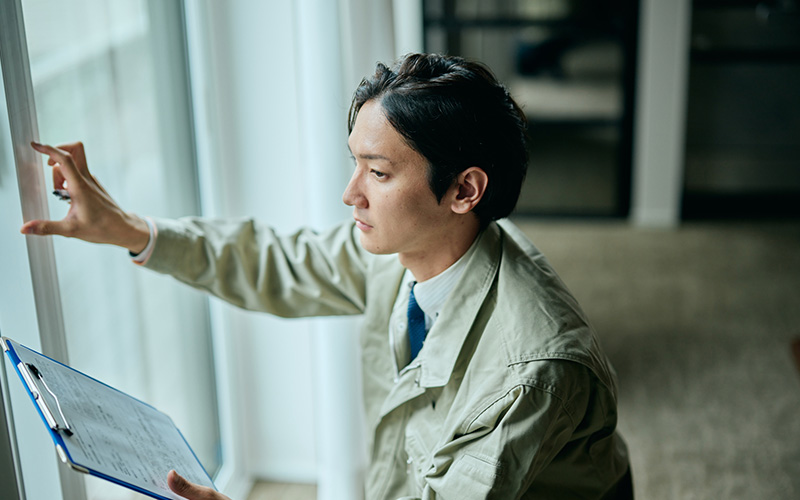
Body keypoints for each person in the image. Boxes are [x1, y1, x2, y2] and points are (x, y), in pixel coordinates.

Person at [22, 53, 632, 499]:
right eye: (354, 165)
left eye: (379, 173)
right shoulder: (413, 250)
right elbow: (274, 261)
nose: (350, 195)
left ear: (464, 190)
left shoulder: (533, 371)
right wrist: (130, 227)